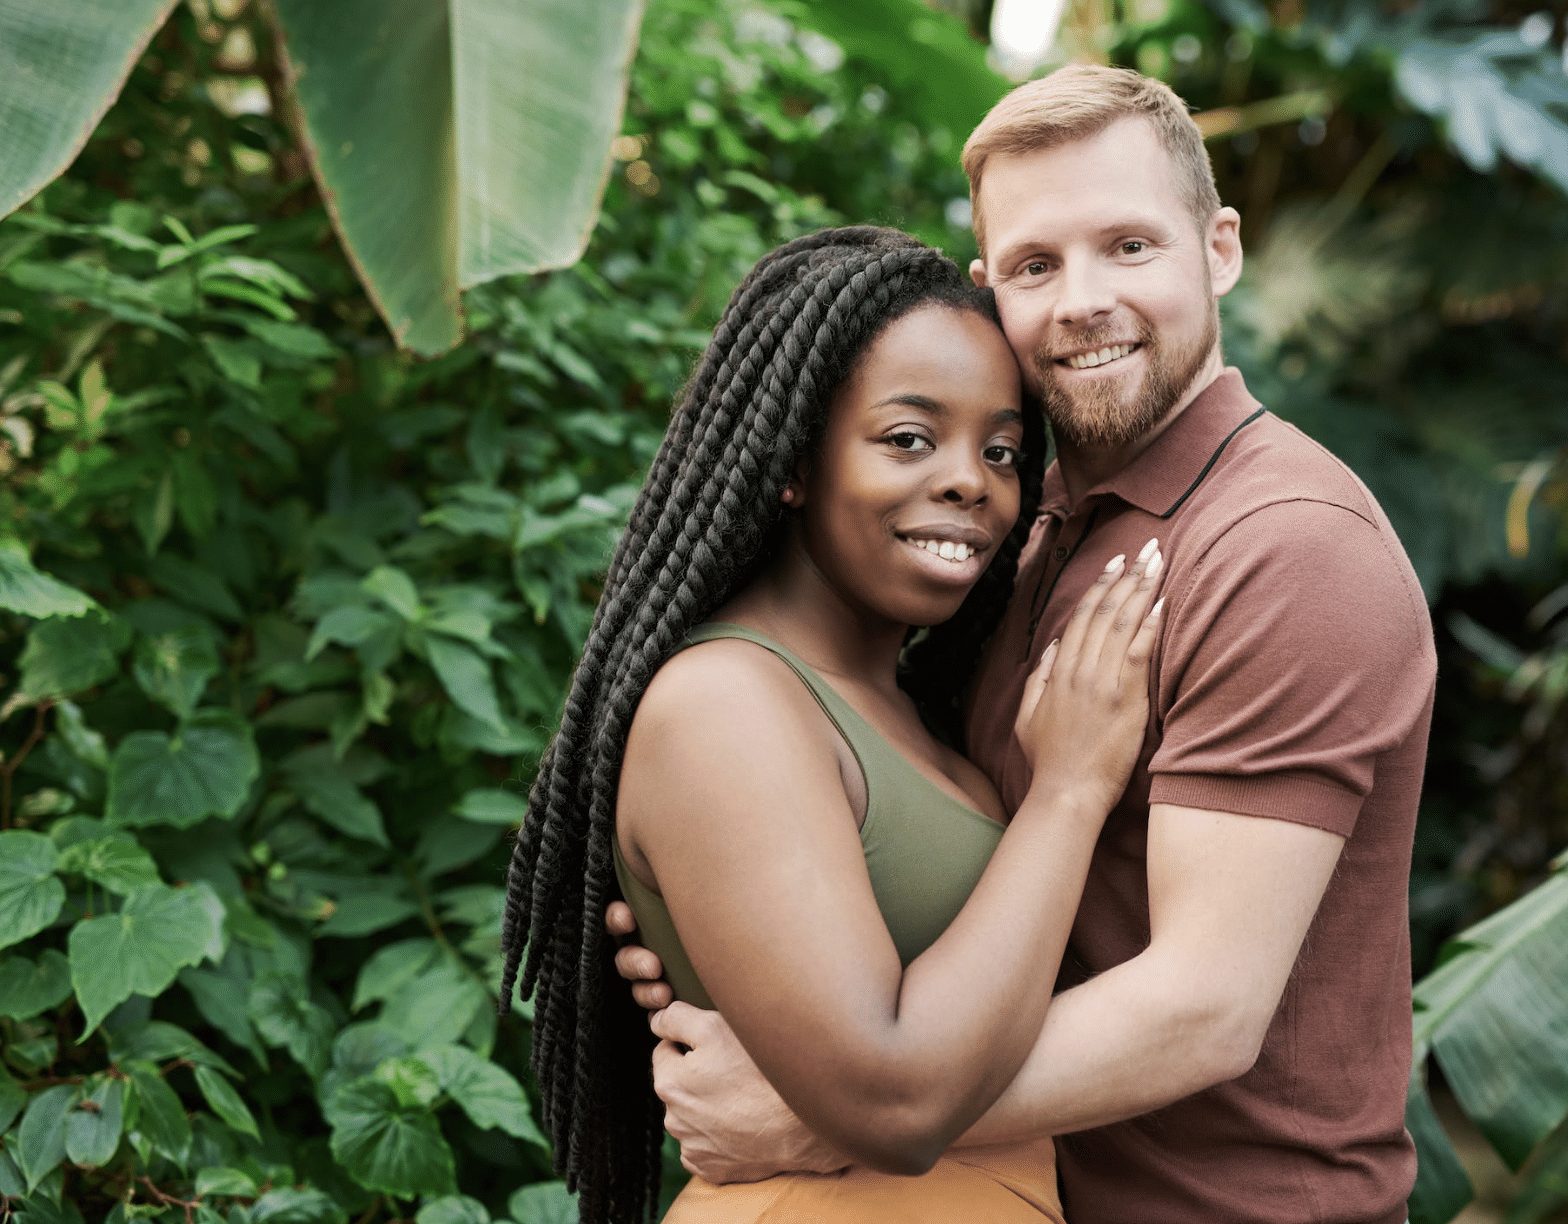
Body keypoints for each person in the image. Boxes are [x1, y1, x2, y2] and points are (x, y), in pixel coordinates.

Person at [612, 67, 1438, 1224]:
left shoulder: (1286, 545)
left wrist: (828, 1110)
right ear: (990, 283)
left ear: (1220, 250)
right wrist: (727, 948)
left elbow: (1202, 1004)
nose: (1084, 299)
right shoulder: (1017, 534)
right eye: (1038, 265)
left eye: (1130, 246)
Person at [498, 226, 1170, 1224]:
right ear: (792, 463)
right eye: (909, 438)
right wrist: (1070, 791)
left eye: (1002, 452)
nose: (970, 483)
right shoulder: (725, 703)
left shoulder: (902, 712)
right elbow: (895, 1101)